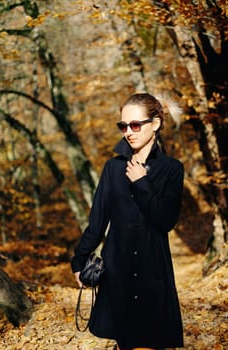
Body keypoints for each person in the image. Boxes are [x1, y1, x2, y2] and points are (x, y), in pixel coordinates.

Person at [71, 93, 184, 350]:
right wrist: (79, 260)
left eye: (135, 125)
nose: (128, 132)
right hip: (117, 271)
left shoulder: (172, 169)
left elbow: (166, 220)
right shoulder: (112, 168)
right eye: (123, 126)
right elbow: (97, 220)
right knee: (126, 341)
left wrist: (142, 183)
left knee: (150, 342)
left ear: (155, 124)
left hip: (152, 272)